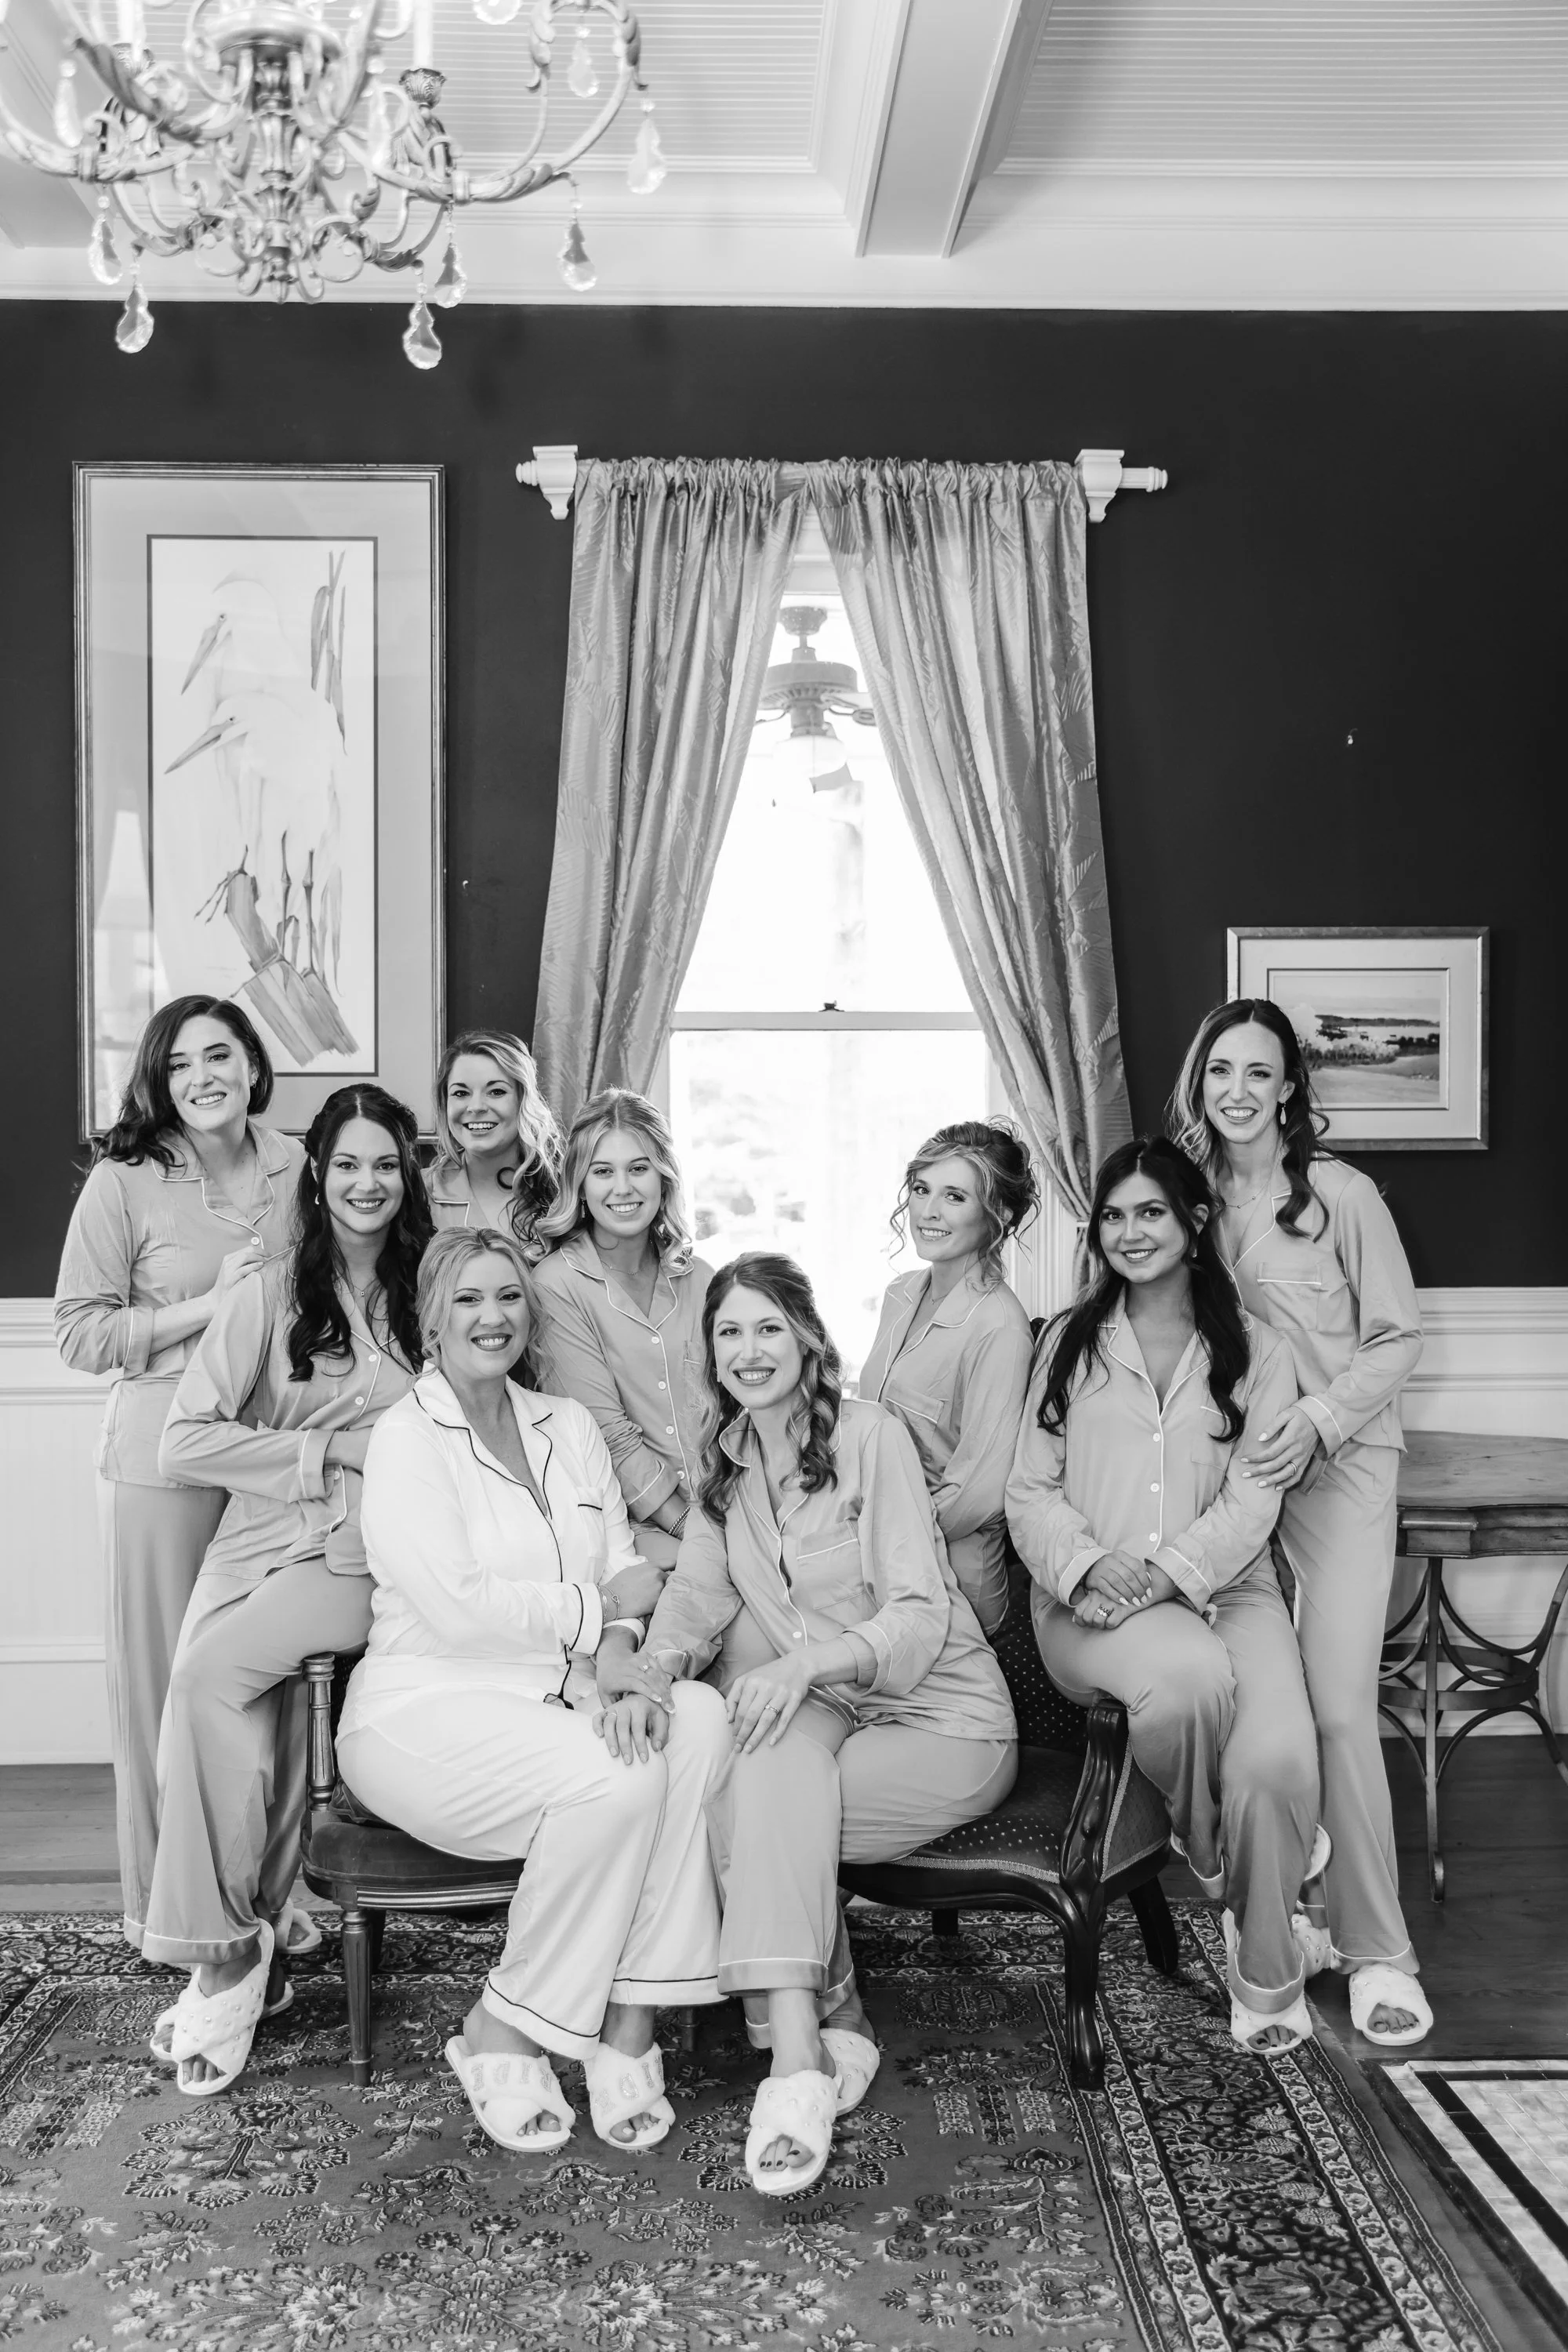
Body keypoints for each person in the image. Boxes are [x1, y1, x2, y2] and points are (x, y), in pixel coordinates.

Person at [599, 1253, 1016, 2196]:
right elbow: (696, 1600)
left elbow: (919, 1613)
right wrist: (650, 1673)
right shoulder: (722, 1463)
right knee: (754, 1772)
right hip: (822, 1712)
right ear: (709, 1354)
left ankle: (814, 2028)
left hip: (941, 1715)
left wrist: (803, 1663)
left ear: (807, 1338)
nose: (748, 1351)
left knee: (750, 1815)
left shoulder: (872, 1439)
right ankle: (803, 2054)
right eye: (728, 1333)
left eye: (766, 1328)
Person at [335, 1227, 731, 2156]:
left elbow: (632, 1572)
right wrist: (600, 1617)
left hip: (562, 1698)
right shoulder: (405, 1440)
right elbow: (459, 1611)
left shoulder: (568, 1424)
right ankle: (503, 2026)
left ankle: (630, 2017)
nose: (493, 1316)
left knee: (701, 1721)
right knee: (621, 1781)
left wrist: (627, 1657)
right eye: (468, 1299)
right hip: (421, 1712)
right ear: (430, 1321)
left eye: (508, 1296)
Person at [140, 1085, 431, 2093]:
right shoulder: (264, 1290)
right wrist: (324, 1449)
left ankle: (218, 1958)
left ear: (408, 1176)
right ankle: (251, 1934)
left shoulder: (435, 1290)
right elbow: (185, 1439)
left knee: (210, 1680)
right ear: (317, 1173)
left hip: (365, 1556)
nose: (366, 1184)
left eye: (385, 1165)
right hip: (257, 1541)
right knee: (226, 1719)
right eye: (347, 1164)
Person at [1007, 1136, 1325, 2059]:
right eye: (1113, 1214)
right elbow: (1029, 1492)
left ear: (1191, 1221)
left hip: (1229, 1590)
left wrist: (1168, 1573)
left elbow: (1252, 1498)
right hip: (1089, 1607)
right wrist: (1087, 1566)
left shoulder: (1255, 1349)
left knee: (1276, 1765)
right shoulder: (1066, 1342)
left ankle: (1264, 1970)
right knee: (1184, 1686)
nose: (1129, 1231)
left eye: (1150, 1211)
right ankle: (1215, 1850)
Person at [1170, 996, 1430, 2047]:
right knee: (1250, 1710)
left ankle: (1380, 1954)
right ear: (1202, 1082)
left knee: (1335, 1711)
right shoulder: (1182, 1199)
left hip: (1335, 1483)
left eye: (1259, 1073)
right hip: (1227, 1495)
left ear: (1290, 1089)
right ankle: (1284, 1921)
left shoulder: (1339, 1196)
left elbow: (1398, 1335)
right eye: (1220, 1071)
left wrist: (1320, 1421)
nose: (1238, 1091)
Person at [54, 995, 303, 1942]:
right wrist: (209, 1307)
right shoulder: (124, 1180)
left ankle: (265, 1902)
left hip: (277, 1462)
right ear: (159, 1080)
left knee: (270, 1687)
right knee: (165, 1692)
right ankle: (167, 1909)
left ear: (250, 1065)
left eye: (220, 1056)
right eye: (181, 1063)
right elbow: (81, 1333)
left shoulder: (298, 1167)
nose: (203, 1077)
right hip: (163, 1465)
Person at [860, 1119, 1037, 1635]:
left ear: (998, 1215)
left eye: (954, 1196)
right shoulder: (900, 1295)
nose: (928, 1212)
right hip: (879, 1557)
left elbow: (978, 1492)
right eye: (921, 1190)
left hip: (954, 1580)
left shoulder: (1000, 1328)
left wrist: (884, 1536)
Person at [533, 1091, 713, 1570]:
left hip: (725, 1509)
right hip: (633, 1530)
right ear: (581, 1183)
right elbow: (606, 1435)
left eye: (639, 1168)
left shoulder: (702, 1278)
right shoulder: (557, 1285)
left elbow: (736, 1413)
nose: (623, 1188)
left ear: (663, 1176)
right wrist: (693, 1530)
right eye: (603, 1170)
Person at [426, 1029, 562, 1258]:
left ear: (523, 1100)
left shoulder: (566, 1192)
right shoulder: (419, 1194)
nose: (476, 1106)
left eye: (496, 1091)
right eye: (461, 1093)